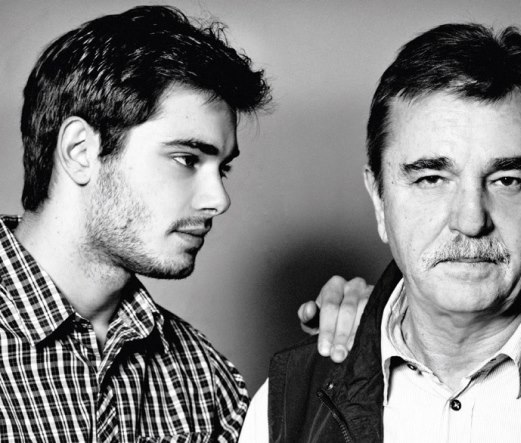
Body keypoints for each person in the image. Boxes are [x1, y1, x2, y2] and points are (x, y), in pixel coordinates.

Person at [0, 5, 370, 441]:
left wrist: (364, 362)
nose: (219, 200)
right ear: (81, 151)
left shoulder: (202, 379)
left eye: (222, 169)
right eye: (186, 159)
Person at [241, 23, 521, 442]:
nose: (471, 221)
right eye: (431, 179)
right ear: (379, 199)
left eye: (507, 180)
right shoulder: (286, 407)